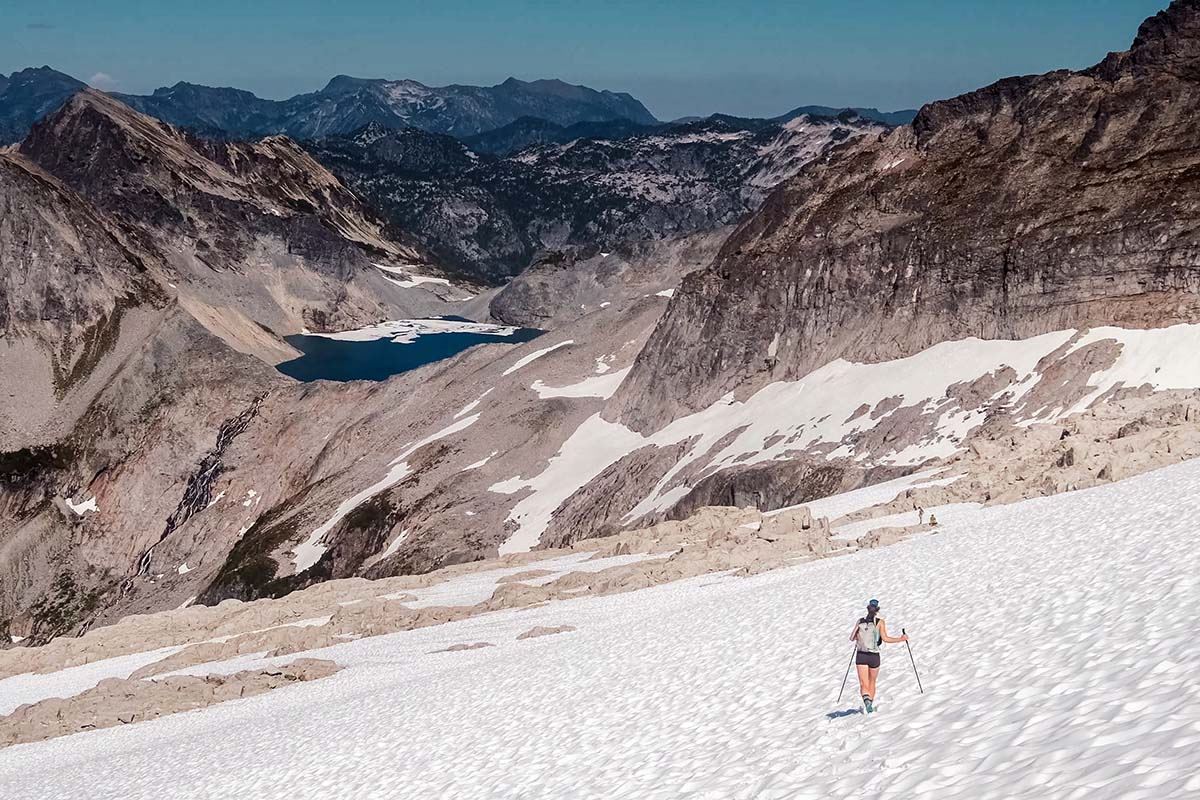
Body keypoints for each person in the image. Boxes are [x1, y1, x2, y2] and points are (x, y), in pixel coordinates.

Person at [848, 599, 907, 712]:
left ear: (868, 608)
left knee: (863, 683)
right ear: (877, 609)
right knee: (872, 682)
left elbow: (851, 638)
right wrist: (901, 639)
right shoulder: (880, 622)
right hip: (874, 656)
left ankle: (867, 702)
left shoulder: (860, 621)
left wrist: (858, 638)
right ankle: (870, 703)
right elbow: (885, 639)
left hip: (861, 655)